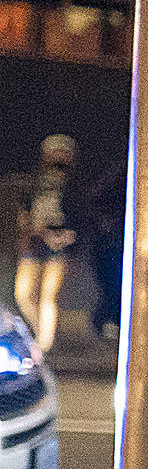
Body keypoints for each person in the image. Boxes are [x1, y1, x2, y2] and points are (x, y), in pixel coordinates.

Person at [14, 133, 78, 352]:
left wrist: (71, 236)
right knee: (23, 294)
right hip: (34, 244)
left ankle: (44, 346)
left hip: (60, 247)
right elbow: (24, 212)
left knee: (50, 296)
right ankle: (40, 335)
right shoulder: (34, 183)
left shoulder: (73, 186)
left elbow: (80, 215)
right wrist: (27, 232)